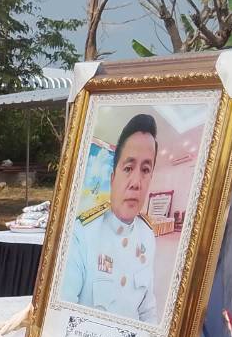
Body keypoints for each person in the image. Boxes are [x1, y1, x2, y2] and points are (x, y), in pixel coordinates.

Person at [60, 113, 159, 323]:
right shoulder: (82, 234)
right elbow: (62, 314)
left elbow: (147, 312)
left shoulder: (147, 237)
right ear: (113, 178)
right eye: (128, 168)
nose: (136, 183)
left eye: (145, 170)